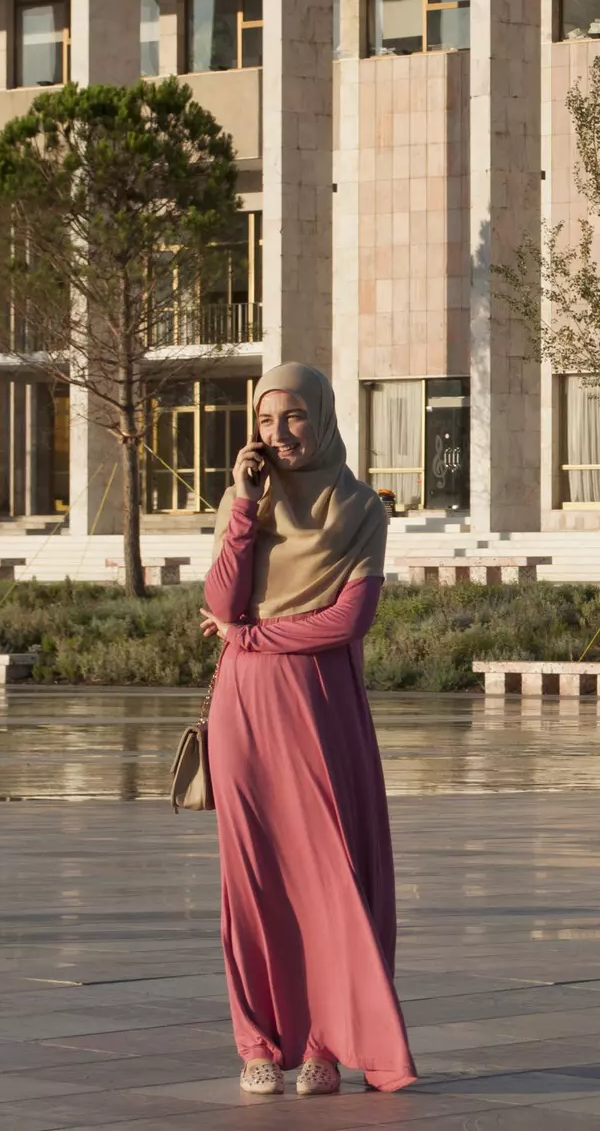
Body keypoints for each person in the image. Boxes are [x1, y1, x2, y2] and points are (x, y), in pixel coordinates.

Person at [198, 363, 417, 1096]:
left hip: (320, 708)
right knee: (253, 882)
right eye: (266, 421)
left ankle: (324, 1046)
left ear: (321, 417)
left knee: (331, 877)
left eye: (292, 418)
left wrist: (250, 636)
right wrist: (241, 507)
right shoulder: (250, 505)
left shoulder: (360, 510)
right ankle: (259, 1043)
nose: (279, 433)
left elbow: (347, 621)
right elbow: (221, 596)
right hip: (245, 712)